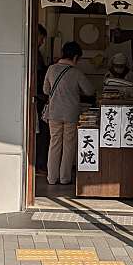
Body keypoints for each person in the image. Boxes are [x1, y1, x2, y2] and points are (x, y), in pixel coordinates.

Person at [43, 41, 95, 185]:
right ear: (75, 57)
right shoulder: (76, 73)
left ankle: (52, 178)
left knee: (54, 144)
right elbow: (90, 91)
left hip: (54, 113)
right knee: (68, 145)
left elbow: (46, 91)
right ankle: (65, 178)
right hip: (71, 114)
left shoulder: (51, 69)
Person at [36, 24, 49, 174]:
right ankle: (39, 164)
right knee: (42, 134)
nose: (43, 41)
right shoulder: (34, 54)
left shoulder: (36, 53)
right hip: (39, 99)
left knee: (42, 133)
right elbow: (40, 80)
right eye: (42, 38)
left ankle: (40, 164)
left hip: (39, 98)